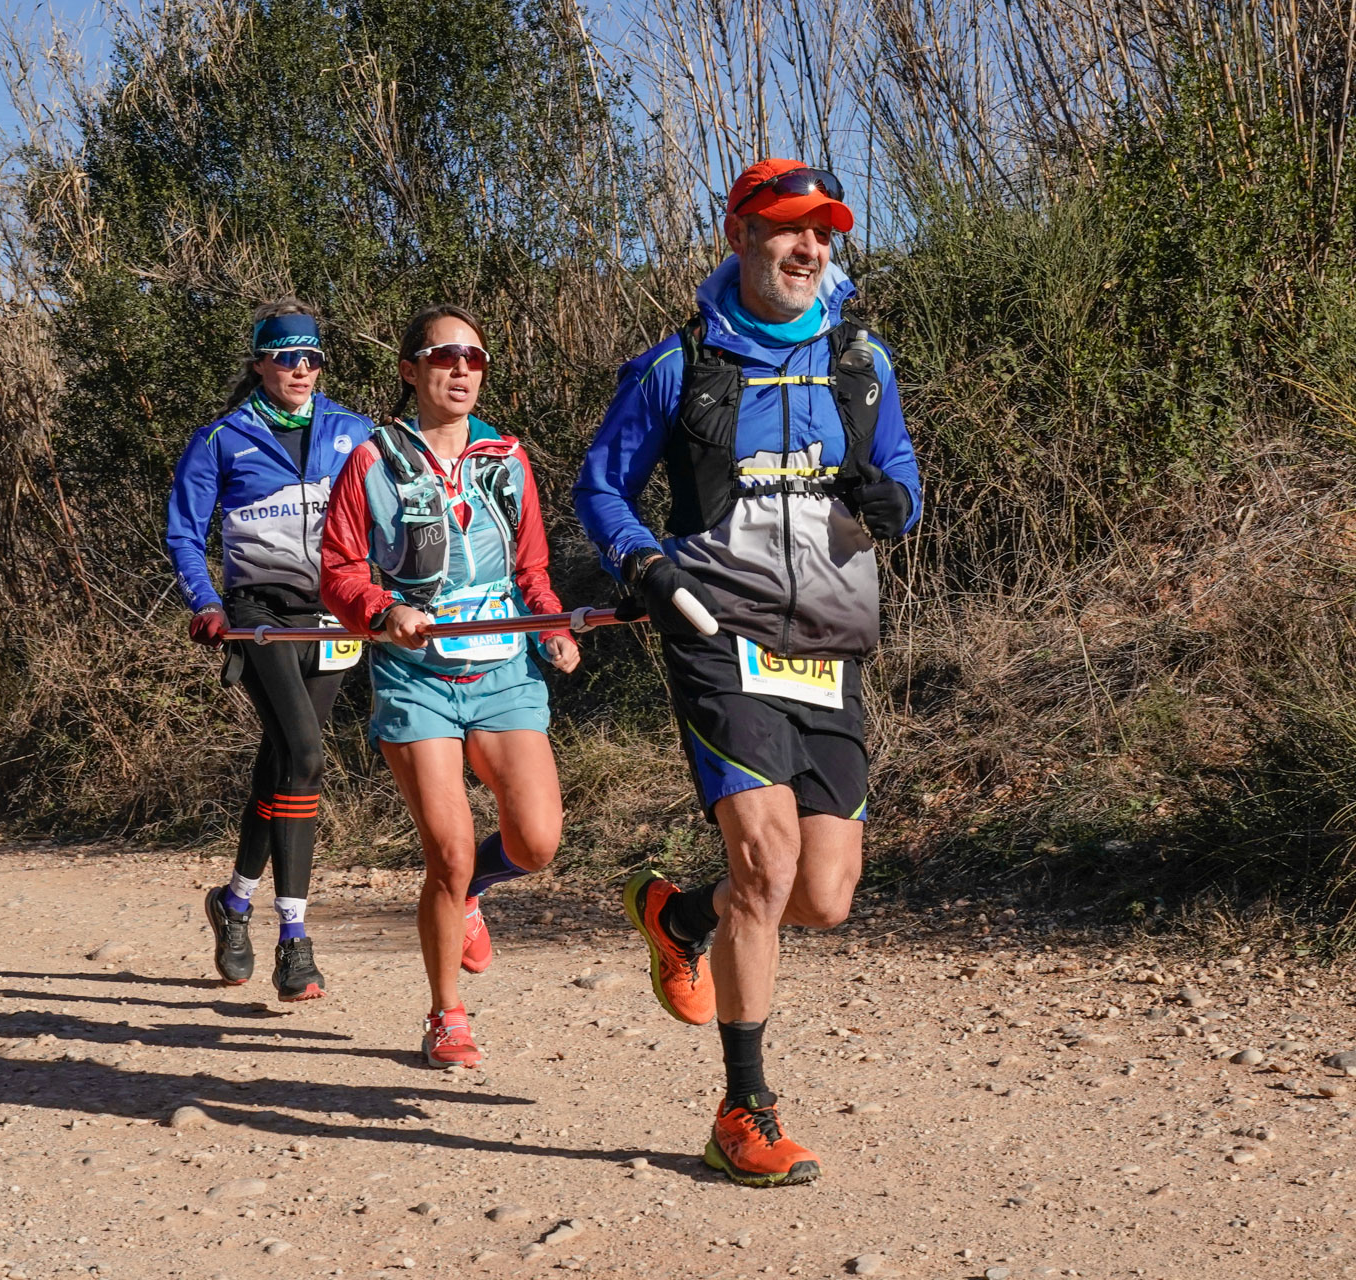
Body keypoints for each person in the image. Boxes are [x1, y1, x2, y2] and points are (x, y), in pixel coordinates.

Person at [574, 160, 921, 1184]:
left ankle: (677, 916)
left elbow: (899, 472)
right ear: (738, 232)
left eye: (823, 233)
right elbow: (602, 484)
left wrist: (892, 502)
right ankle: (744, 1109)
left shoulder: (863, 363)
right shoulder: (678, 365)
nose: (808, 249)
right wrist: (642, 560)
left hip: (827, 642)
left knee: (821, 894)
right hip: (716, 632)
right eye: (786, 230)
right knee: (765, 865)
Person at [321, 304, 581, 1068]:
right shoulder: (373, 460)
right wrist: (383, 608)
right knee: (449, 851)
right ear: (411, 371)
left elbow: (531, 567)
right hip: (415, 678)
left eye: (475, 358)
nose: (462, 369)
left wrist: (553, 627)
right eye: (444, 356)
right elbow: (338, 570)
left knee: (537, 842)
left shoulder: (507, 458)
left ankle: (472, 899)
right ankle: (446, 1013)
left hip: (504, 668)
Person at [167, 301, 374, 1001]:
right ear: (260, 363)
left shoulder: (355, 432)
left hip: (335, 615)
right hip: (258, 616)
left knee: (283, 759)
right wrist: (208, 605)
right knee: (308, 755)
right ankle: (293, 937)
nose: (302, 369)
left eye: (312, 356)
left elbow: (400, 512)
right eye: (287, 357)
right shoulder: (222, 438)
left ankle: (232, 904)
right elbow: (185, 536)